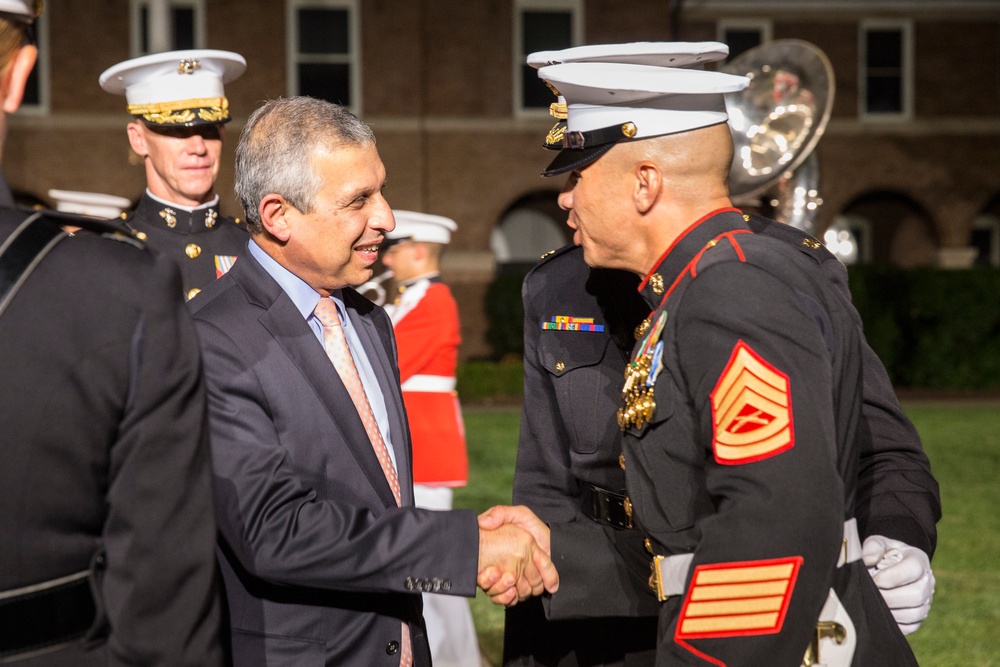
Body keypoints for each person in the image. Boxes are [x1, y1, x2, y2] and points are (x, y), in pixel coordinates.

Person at [498, 43, 940, 667]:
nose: (565, 198)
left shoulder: (731, 287)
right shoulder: (684, 282)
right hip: (627, 604)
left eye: (578, 176)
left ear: (645, 183)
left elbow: (775, 520)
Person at [188, 95, 558, 665]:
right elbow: (274, 530)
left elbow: (370, 499)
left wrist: (460, 533)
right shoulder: (212, 338)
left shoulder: (367, 318)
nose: (386, 217)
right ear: (278, 214)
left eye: (380, 191)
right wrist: (465, 547)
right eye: (359, 200)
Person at [0, 1, 223, 664]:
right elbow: (163, 609)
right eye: (176, 128)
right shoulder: (112, 280)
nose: (197, 142)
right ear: (19, 78)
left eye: (210, 126)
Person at [380, 210, 483, 667]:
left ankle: (454, 659)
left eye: (395, 250)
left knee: (432, 564)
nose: (387, 260)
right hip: (417, 442)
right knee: (420, 561)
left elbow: (391, 361)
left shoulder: (434, 300)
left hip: (425, 444)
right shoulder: (412, 298)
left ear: (419, 251)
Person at [99, 48, 249, 300]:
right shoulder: (105, 249)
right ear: (138, 140)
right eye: (176, 131)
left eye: (209, 129)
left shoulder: (256, 249)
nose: (199, 147)